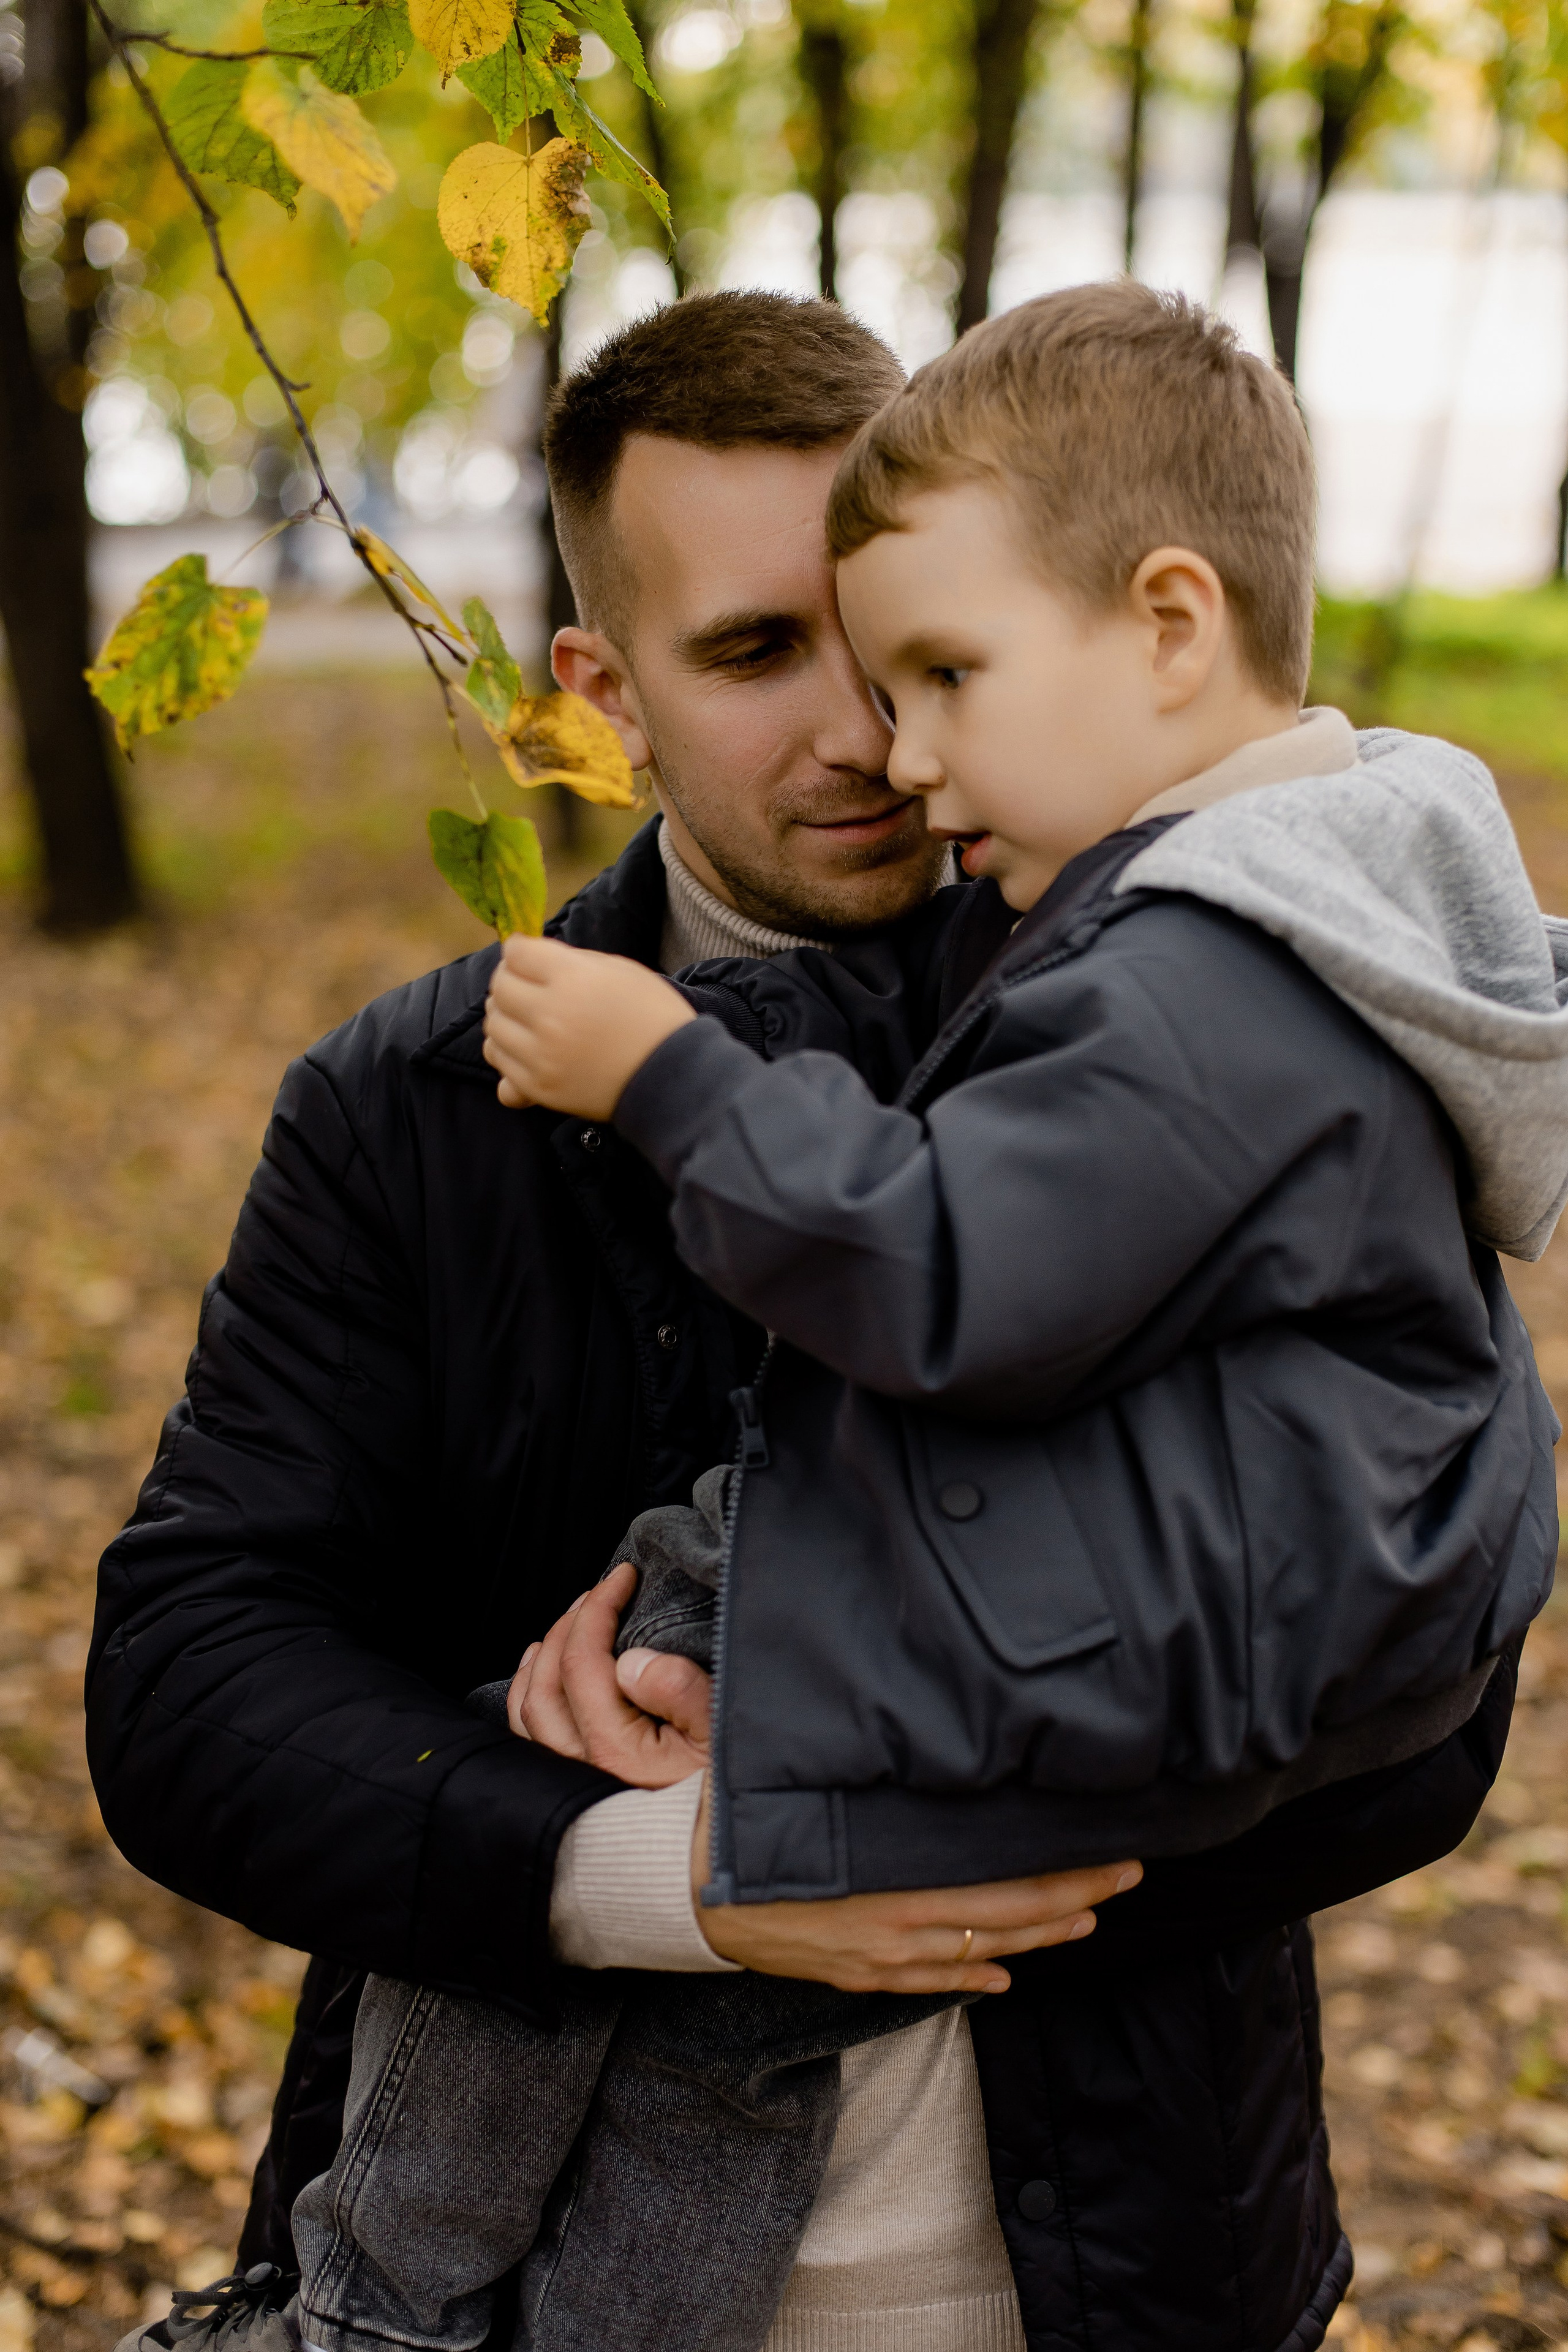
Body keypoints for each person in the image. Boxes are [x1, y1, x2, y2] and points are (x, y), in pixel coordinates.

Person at [92, 290, 1531, 2352]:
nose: (870, 738)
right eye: (759, 656)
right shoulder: (409, 1110)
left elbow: (1434, 1671)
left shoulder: (1214, 1016)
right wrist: (659, 1882)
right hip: (517, 2280)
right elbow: (187, 1686)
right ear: (601, 687)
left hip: (1123, 2264)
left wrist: (914, 1819)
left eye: (908, 655)